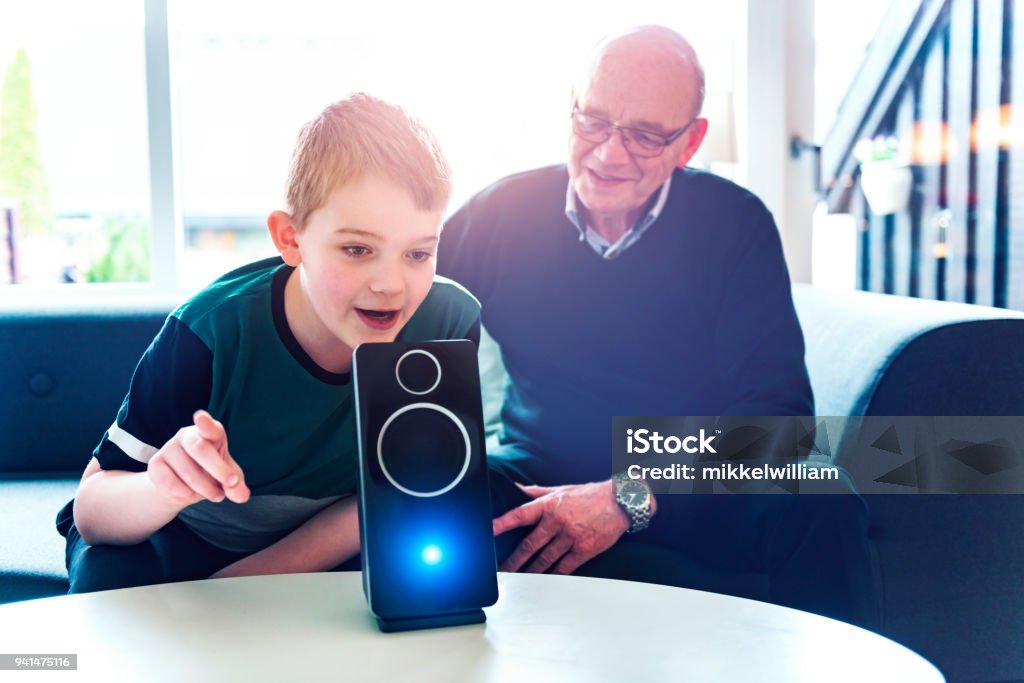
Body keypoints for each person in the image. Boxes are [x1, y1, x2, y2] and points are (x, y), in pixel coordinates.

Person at [438, 26, 878, 627]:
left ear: (689, 143)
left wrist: (628, 497)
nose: (608, 154)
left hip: (688, 482)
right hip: (537, 471)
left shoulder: (735, 224)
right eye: (592, 122)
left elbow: (779, 423)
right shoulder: (497, 216)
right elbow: (405, 338)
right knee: (439, 497)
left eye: (645, 135)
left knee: (822, 496)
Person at [55, 93, 481, 593]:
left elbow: (397, 492)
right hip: (179, 532)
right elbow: (93, 510)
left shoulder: (449, 321)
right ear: (290, 238)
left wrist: (242, 587)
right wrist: (163, 487)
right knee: (108, 591)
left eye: (417, 253)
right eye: (357, 249)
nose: (391, 284)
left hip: (329, 538)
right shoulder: (209, 332)